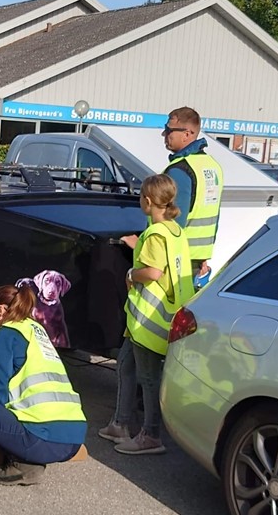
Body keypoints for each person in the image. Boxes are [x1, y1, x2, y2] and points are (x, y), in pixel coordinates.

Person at [0, 282, 87, 486]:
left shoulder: (6, 332)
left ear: (1, 310)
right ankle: (28, 456)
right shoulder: (36, 329)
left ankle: (24, 462)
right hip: (74, 439)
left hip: (41, 440)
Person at [98, 174, 194, 455]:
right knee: (126, 364)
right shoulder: (175, 230)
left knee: (149, 377)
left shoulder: (154, 234)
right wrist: (136, 245)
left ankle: (151, 434)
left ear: (148, 201)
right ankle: (120, 423)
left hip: (150, 318)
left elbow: (153, 272)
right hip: (167, 313)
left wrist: (130, 273)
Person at [159, 107, 224, 285]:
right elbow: (213, 213)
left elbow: (173, 220)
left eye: (169, 129)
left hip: (175, 257)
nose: (164, 133)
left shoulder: (180, 169)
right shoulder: (212, 166)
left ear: (187, 134)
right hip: (198, 259)